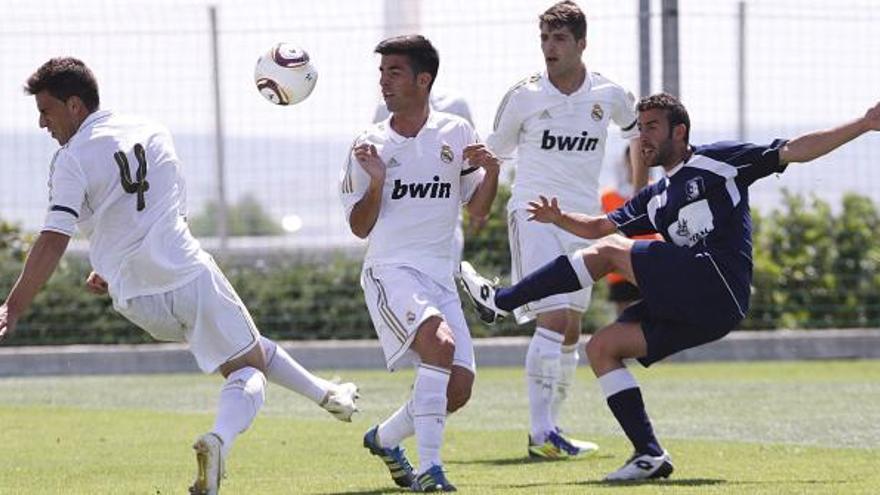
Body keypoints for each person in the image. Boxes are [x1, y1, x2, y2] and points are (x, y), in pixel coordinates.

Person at [460, 92, 880, 480]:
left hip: (717, 283)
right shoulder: (656, 196)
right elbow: (601, 226)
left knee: (610, 252)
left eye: (652, 126)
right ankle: (649, 454)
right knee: (602, 348)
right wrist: (559, 218)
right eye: (640, 127)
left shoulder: (720, 161)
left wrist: (863, 123)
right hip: (706, 312)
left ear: (679, 132)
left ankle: (501, 301)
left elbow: (793, 150)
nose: (643, 136)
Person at [0, 57, 360, 495]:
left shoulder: (70, 159)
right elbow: (171, 208)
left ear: (75, 105)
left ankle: (328, 395)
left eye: (46, 110)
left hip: (136, 299)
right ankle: (220, 440)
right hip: (187, 273)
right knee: (250, 371)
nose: (42, 123)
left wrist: (16, 306)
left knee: (242, 344)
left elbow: (56, 237)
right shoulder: (153, 131)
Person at [479, 0, 643, 459]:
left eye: (559, 39)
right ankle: (539, 433)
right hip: (534, 216)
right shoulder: (524, 96)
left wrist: (639, 198)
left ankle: (554, 428)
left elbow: (637, 138)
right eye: (545, 39)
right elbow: (495, 152)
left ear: (581, 44)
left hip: (583, 221)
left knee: (571, 327)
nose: (549, 48)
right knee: (553, 318)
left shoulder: (609, 94)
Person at [340, 35, 500, 491]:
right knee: (441, 346)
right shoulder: (368, 144)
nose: (384, 81)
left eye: (394, 71)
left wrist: (493, 172)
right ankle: (430, 471)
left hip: (439, 275)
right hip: (389, 271)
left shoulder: (456, 132)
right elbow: (359, 227)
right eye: (381, 72)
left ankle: (385, 438)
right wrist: (376, 183)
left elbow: (479, 209)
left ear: (422, 79)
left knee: (459, 389)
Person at [374, 88, 484, 273]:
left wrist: (478, 206)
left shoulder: (456, 106)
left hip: (444, 229)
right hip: (399, 228)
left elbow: (473, 160)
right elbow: (377, 161)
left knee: (444, 285)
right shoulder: (384, 110)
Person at [600, 145, 661, 315]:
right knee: (624, 315)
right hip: (620, 264)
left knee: (654, 316)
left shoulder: (658, 190)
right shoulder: (609, 196)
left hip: (653, 261)